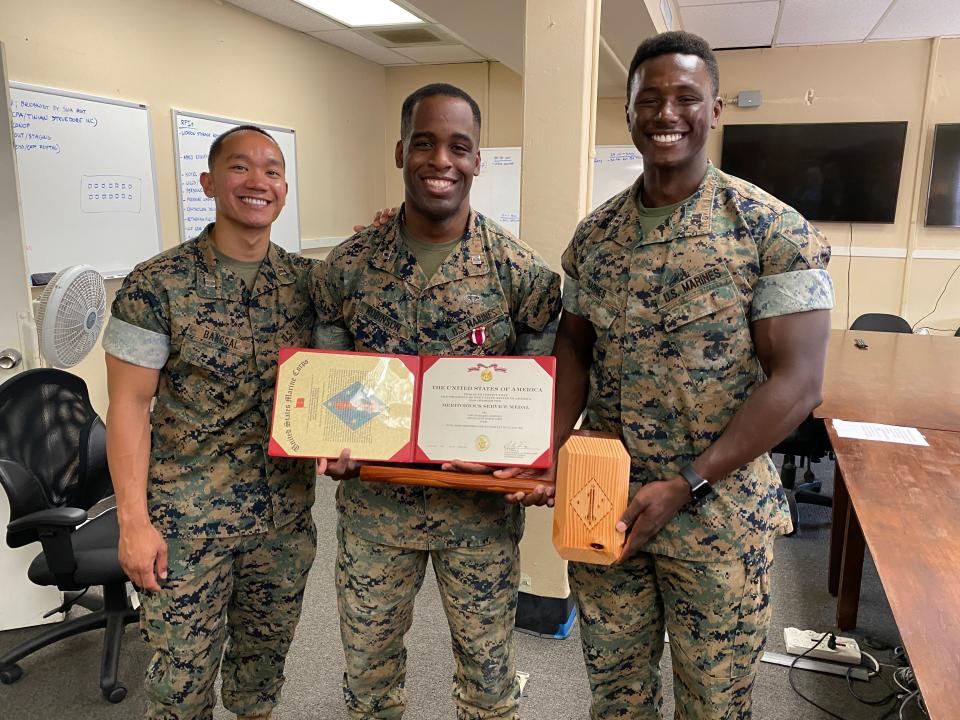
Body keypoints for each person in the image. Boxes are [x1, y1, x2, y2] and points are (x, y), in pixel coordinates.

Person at [518, 31, 834, 718]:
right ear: (628, 111)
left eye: (686, 98)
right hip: (608, 508)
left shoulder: (771, 230)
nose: (667, 113)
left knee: (714, 705)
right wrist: (548, 447)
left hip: (718, 519)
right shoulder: (595, 237)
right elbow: (574, 347)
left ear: (715, 109)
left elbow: (799, 384)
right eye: (649, 98)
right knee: (616, 698)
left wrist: (686, 482)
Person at [312, 83, 561, 719]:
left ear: (479, 161)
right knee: (368, 681)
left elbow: (544, 394)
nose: (440, 160)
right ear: (400, 152)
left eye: (459, 146)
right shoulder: (347, 267)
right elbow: (329, 382)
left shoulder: (520, 274)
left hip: (478, 518)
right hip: (375, 510)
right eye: (424, 143)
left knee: (487, 683)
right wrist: (331, 440)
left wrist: (536, 459)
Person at [103, 125, 322, 720]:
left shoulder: (307, 284)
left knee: (261, 677)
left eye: (272, 170)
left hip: (283, 522)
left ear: (284, 187)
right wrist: (132, 524)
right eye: (240, 168)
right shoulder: (154, 286)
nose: (258, 182)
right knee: (181, 689)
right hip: (185, 527)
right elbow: (127, 407)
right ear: (208, 182)